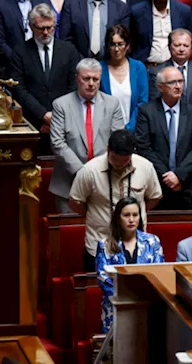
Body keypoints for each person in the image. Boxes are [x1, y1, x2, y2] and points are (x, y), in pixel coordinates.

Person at [69, 128, 162, 272]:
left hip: (138, 250)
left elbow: (154, 197)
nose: (119, 164)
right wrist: (96, 215)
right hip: (99, 245)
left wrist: (131, 214)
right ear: (108, 150)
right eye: (114, 159)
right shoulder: (89, 171)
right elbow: (75, 202)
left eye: (124, 160)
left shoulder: (145, 167)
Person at [52, 59, 127, 215]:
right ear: (77, 78)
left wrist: (98, 172)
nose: (91, 83)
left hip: (105, 182)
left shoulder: (112, 104)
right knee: (70, 236)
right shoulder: (61, 105)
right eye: (86, 79)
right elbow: (58, 143)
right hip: (69, 184)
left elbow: (118, 141)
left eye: (95, 79)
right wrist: (84, 173)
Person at [134, 62, 192, 210]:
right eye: (172, 82)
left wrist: (179, 175)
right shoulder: (146, 111)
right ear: (160, 87)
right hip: (156, 182)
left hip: (186, 183)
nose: (178, 86)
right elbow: (144, 147)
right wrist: (167, 176)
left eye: (181, 81)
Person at [95, 197, 164, 331]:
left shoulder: (152, 242)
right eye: (126, 215)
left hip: (147, 309)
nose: (131, 220)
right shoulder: (105, 245)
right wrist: (130, 299)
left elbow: (158, 274)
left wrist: (142, 299)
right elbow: (104, 280)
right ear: (118, 218)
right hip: (116, 310)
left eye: (135, 215)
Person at [8, 4, 78, 132]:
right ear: (31, 27)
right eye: (40, 28)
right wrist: (43, 115)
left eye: (49, 28)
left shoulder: (69, 50)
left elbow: (73, 86)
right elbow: (19, 89)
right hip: (31, 121)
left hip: (65, 120)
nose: (45, 33)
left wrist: (57, 117)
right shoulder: (20, 52)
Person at [56, 0, 126, 61]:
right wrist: (80, 61)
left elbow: (124, 40)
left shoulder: (121, 8)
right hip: (78, 63)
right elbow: (65, 39)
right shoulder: (71, 4)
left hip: (110, 64)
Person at [146, 29, 192, 122]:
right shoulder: (156, 72)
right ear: (169, 46)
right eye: (177, 45)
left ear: (191, 48)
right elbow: (155, 104)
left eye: (186, 45)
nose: (181, 49)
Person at [128, 0, 192, 64]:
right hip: (147, 66)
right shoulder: (137, 11)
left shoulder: (183, 11)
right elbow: (132, 41)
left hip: (174, 67)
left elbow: (189, 38)